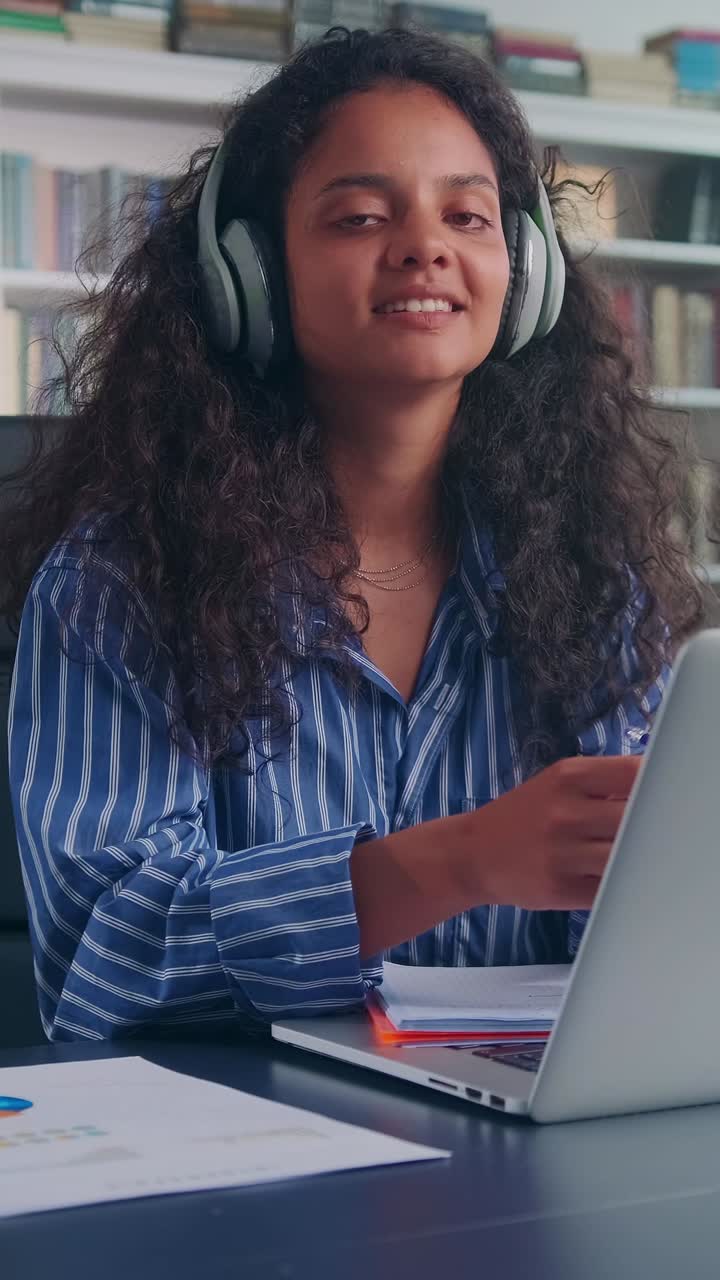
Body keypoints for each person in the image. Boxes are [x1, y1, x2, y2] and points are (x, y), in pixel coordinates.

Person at [1, 27, 705, 1043]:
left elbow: (655, 933)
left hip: (525, 1146)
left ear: (526, 271)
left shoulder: (595, 574)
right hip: (246, 1165)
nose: (426, 244)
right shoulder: (119, 583)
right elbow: (105, 961)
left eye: (468, 214)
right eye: (363, 215)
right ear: (251, 273)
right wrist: (455, 859)